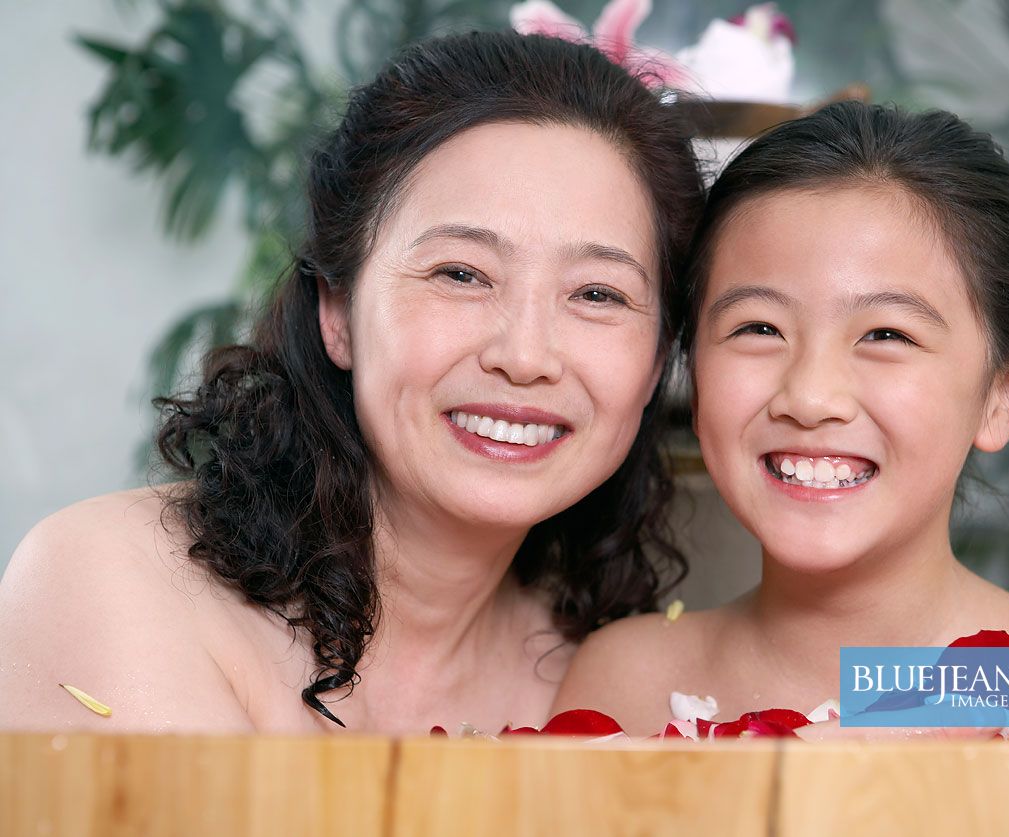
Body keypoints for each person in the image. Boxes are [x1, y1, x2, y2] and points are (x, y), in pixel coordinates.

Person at [0, 31, 704, 734]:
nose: (524, 356)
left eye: (597, 294)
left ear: (655, 361)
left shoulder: (617, 679)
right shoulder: (112, 584)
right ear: (336, 312)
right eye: (460, 274)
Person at [553, 100, 1009, 737]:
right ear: (692, 367)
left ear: (1005, 395)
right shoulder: (621, 687)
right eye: (758, 327)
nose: (811, 398)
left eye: (887, 334)